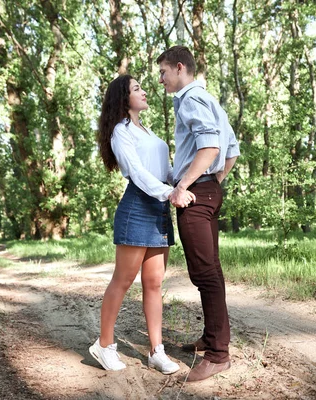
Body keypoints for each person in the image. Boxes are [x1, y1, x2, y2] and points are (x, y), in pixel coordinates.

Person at [89, 74, 194, 374]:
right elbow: (136, 172)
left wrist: (182, 183)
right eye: (137, 89)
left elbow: (164, 170)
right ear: (124, 98)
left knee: (154, 283)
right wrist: (169, 192)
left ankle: (156, 352)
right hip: (138, 206)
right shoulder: (121, 132)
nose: (145, 91)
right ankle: (104, 344)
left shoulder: (145, 130)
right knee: (122, 281)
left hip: (160, 206)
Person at [156, 46, 240, 382]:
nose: (161, 79)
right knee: (210, 271)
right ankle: (211, 338)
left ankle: (219, 355)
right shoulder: (210, 100)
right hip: (208, 191)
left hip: (195, 195)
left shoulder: (191, 99)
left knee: (204, 274)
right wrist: (214, 181)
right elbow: (231, 150)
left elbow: (211, 148)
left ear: (180, 68)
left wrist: (185, 185)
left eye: (163, 72)